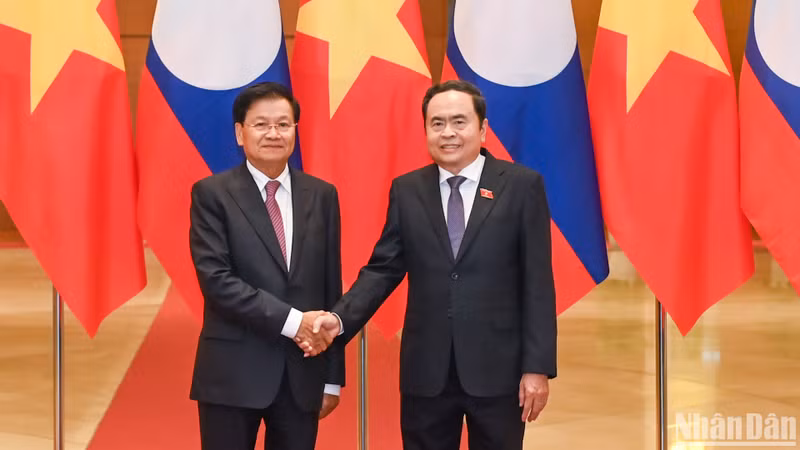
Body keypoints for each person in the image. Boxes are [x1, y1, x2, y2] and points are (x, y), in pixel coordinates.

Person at [310, 80, 557, 450]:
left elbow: (538, 283)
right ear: (425, 129)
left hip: (499, 372)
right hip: (426, 373)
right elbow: (383, 269)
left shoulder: (521, 187)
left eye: (459, 121)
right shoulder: (408, 190)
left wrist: (536, 367)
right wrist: (340, 319)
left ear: (483, 128)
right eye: (437, 123)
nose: (448, 133)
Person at [188, 81, 344, 450]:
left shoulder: (322, 195)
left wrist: (332, 378)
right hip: (231, 373)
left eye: (283, 124)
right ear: (240, 133)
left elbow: (329, 286)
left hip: (302, 373)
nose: (273, 133)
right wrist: (296, 322)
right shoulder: (212, 194)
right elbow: (217, 281)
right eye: (261, 125)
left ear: (295, 131)